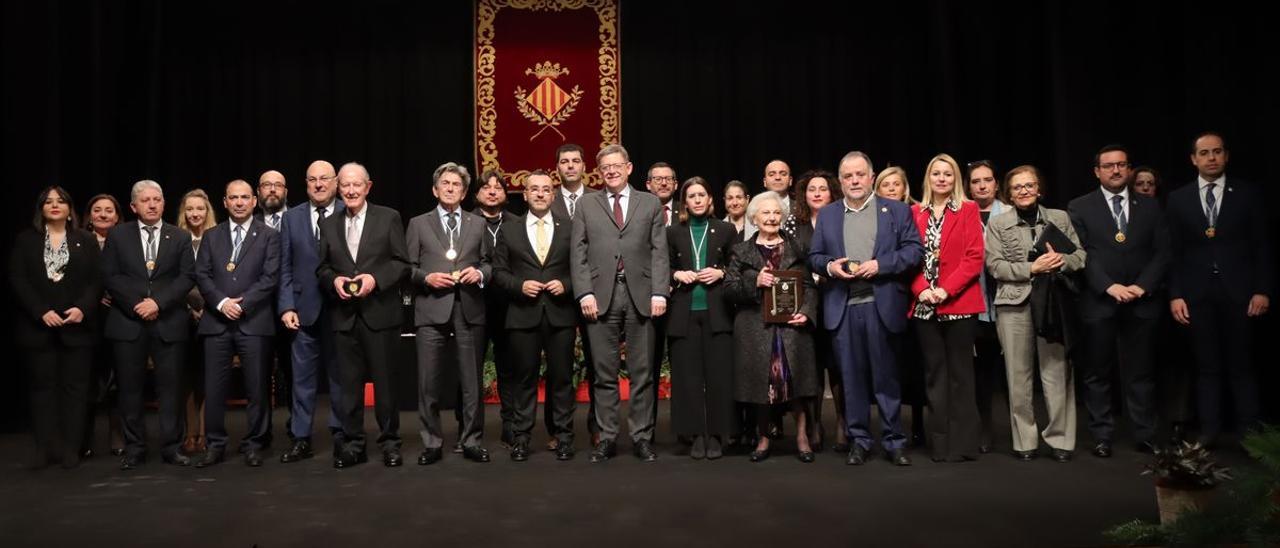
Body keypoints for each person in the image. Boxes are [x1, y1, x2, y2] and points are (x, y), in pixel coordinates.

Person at [809, 151, 923, 467]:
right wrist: (832, 266)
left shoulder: (897, 211)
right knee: (851, 379)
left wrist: (881, 265)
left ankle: (893, 441)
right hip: (843, 308)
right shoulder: (828, 214)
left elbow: (914, 251)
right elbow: (815, 256)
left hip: (881, 304)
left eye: (860, 175)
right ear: (841, 181)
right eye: (848, 176)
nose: (855, 181)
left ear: (871, 178)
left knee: (887, 378)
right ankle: (859, 440)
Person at [1166, 132, 1272, 448]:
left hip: (1240, 293)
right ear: (1193, 159)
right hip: (1197, 294)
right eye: (1204, 153)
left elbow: (1262, 246)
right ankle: (1209, 432)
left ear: (1225, 156)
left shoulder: (1249, 194)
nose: (1211, 158)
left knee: (1242, 366)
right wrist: (1175, 294)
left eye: (1217, 152)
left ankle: (1249, 436)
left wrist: (1262, 289)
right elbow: (1173, 252)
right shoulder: (1178, 198)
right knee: (1206, 366)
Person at [570, 143, 669, 463]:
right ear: (599, 172)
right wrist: (584, 292)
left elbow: (659, 251)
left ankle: (642, 436)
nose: (611, 171)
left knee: (643, 373)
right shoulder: (586, 204)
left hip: (641, 295)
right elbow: (578, 252)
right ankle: (607, 436)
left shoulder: (650, 203)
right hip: (600, 297)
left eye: (617, 165)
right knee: (603, 373)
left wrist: (659, 292)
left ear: (629, 168)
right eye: (605, 167)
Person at [1068, 144, 1168, 457]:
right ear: (1097, 171)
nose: (1115, 170)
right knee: (1098, 371)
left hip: (1141, 300)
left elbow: (1163, 252)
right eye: (1109, 166)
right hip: (1100, 300)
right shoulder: (1080, 206)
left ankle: (1144, 433)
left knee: (1141, 371)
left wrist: (1142, 286)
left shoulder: (1150, 206)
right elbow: (1081, 253)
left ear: (1129, 169)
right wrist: (1109, 286)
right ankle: (1102, 435)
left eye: (1121, 165)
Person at [985, 165, 1086, 462]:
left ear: (1039, 189)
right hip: (1014, 304)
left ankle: (1060, 440)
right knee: (1018, 376)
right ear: (1009, 193)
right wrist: (1031, 268)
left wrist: (1061, 261)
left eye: (1030, 185)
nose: (1024, 191)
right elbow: (995, 266)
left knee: (1056, 373)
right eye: (1017, 187)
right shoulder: (999, 223)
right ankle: (1025, 440)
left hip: (1053, 302)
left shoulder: (1059, 218)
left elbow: (1080, 256)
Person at [317, 162, 409, 469]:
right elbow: (322, 267)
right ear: (338, 189)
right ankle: (353, 444)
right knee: (348, 389)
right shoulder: (329, 224)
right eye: (345, 186)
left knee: (385, 387)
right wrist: (335, 281)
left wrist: (376, 280)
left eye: (357, 185)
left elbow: (401, 263)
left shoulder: (389, 217)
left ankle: (390, 444)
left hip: (380, 314)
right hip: (344, 317)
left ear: (368, 187)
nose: (351, 190)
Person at [101, 180, 196, 470]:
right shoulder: (118, 236)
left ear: (164, 204)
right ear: (133, 206)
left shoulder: (178, 237)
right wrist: (138, 305)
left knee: (171, 389)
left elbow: (186, 277)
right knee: (130, 390)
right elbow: (110, 276)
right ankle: (135, 448)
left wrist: (158, 303)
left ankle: (172, 447)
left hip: (169, 321)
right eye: (145, 200)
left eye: (157, 199)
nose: (152, 204)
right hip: (128, 322)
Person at [406, 162, 492, 465]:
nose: (451, 188)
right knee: (428, 381)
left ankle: (471, 440)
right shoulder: (417, 223)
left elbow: (489, 263)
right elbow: (408, 267)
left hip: (469, 307)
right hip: (431, 306)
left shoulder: (478, 223)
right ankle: (431, 443)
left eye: (456, 184)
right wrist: (425, 278)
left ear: (465, 191)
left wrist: (479, 274)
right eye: (445, 183)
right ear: (435, 189)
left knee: (471, 382)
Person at [10, 187, 101, 469]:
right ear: (41, 208)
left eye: (60, 201)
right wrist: (41, 312)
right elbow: (18, 279)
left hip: (77, 328)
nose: (54, 205)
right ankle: (44, 448)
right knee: (43, 390)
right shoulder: (26, 240)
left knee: (76, 391)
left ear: (69, 208)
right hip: (39, 329)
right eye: (48, 202)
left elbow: (97, 280)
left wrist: (82, 308)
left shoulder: (85, 240)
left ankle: (71, 449)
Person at [490, 170, 578, 461]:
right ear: (524, 194)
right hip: (522, 314)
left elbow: (582, 268)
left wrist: (565, 284)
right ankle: (521, 437)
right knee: (523, 379)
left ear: (553, 195)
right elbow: (499, 273)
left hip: (560, 314)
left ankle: (564, 436)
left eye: (545, 189)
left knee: (562, 379)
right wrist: (519, 285)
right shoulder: (509, 229)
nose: (540, 194)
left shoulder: (570, 227)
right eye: (534, 189)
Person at [725, 192, 818, 462]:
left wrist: (806, 313)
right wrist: (754, 282)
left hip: (791, 328)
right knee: (762, 386)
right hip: (756, 328)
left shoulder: (797, 248)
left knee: (797, 385)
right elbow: (728, 289)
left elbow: (810, 287)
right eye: (765, 213)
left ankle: (802, 437)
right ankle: (763, 438)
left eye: (776, 213)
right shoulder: (741, 252)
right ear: (754, 218)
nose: (771, 217)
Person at [193, 180, 280, 467]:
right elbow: (202, 274)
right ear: (225, 202)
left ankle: (254, 443)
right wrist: (221, 303)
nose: (240, 202)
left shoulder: (268, 235)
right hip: (216, 322)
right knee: (215, 389)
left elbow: (270, 277)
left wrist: (242, 304)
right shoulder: (211, 236)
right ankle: (216, 444)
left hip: (253, 321)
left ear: (254, 201)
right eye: (234, 198)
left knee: (256, 388)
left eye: (245, 197)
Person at [909, 153, 985, 462]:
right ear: (928, 179)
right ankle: (939, 445)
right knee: (934, 376)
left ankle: (964, 445)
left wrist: (944, 290)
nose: (942, 179)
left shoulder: (968, 210)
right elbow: (908, 258)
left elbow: (974, 258)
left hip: (959, 304)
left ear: (956, 180)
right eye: (936, 174)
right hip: (924, 306)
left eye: (948, 174)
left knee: (961, 376)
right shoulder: (914, 212)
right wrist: (923, 290)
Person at [277, 160, 346, 463]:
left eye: (324, 179)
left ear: (335, 182)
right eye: (312, 180)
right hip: (302, 311)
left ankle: (342, 434)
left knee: (341, 378)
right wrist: (286, 305)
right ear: (306, 184)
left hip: (341, 309)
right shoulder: (291, 219)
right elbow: (284, 268)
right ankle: (301, 437)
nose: (318, 184)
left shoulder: (350, 211)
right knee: (302, 380)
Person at [666, 177, 738, 459]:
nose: (696, 200)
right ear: (684, 202)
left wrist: (721, 273)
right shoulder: (673, 232)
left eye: (701, 195)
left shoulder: (726, 229)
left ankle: (719, 434)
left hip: (717, 310)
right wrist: (676, 274)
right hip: (683, 311)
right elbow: (665, 266)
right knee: (687, 377)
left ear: (710, 200)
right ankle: (695, 434)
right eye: (691, 196)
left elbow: (739, 265)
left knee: (719, 375)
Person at [783, 169, 848, 452]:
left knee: (837, 366)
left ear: (832, 192)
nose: (818, 193)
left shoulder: (842, 220)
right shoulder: (793, 225)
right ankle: (814, 425)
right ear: (803, 195)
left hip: (836, 297)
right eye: (812, 189)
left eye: (823, 188)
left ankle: (843, 424)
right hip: (805, 302)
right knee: (810, 367)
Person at [550, 142, 600, 449]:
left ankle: (598, 426)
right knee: (559, 367)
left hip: (594, 291)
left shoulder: (598, 199)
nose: (570, 166)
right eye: (564, 161)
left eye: (575, 161)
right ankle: (558, 430)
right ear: (557, 168)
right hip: (557, 295)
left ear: (584, 167)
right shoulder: (546, 199)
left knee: (598, 365)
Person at [875, 165, 926, 446]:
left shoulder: (917, 213)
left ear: (905, 187)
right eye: (886, 184)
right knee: (892, 366)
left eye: (897, 184)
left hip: (917, 295)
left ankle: (919, 422)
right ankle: (891, 425)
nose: (892, 188)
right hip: (887, 295)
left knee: (916, 364)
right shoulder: (874, 215)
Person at [966, 160, 1010, 453]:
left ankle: (1020, 433)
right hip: (976, 306)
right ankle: (984, 429)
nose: (982, 185)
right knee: (980, 374)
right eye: (976, 181)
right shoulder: (963, 213)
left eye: (987, 180)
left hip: (1009, 301)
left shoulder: (1009, 213)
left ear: (996, 184)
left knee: (1010, 374)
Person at [471, 169, 517, 449]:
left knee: (509, 368)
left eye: (498, 187)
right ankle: (470, 428)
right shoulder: (465, 222)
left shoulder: (517, 223)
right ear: (476, 194)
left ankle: (510, 424)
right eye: (486, 187)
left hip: (510, 305)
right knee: (470, 369)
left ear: (505, 194)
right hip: (474, 304)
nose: (492, 191)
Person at [80, 194, 124, 458]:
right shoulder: (78, 241)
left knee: (118, 381)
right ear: (89, 215)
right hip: (86, 320)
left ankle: (118, 435)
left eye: (109, 210)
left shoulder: (126, 241)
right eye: (98, 210)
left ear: (118, 216)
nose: (104, 214)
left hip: (119, 316)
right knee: (87, 381)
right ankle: (83, 439)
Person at [176, 189, 216, 456]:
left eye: (200, 209)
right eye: (189, 209)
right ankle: (190, 434)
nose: (195, 214)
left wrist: (207, 307)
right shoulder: (176, 240)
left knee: (208, 377)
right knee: (187, 378)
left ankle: (205, 433)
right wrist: (191, 307)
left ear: (207, 211)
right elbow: (175, 278)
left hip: (212, 315)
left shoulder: (217, 238)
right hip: (183, 316)